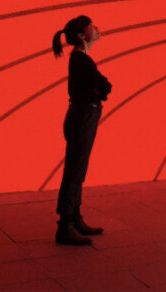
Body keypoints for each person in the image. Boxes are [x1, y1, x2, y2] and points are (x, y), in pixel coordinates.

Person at [52, 15, 111, 246]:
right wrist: (99, 90)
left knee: (78, 169)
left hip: (83, 115)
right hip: (83, 116)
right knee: (74, 171)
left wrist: (99, 90)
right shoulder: (81, 61)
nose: (97, 29)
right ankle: (65, 225)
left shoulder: (82, 60)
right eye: (91, 26)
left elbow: (101, 87)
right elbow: (106, 85)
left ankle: (75, 219)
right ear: (81, 35)